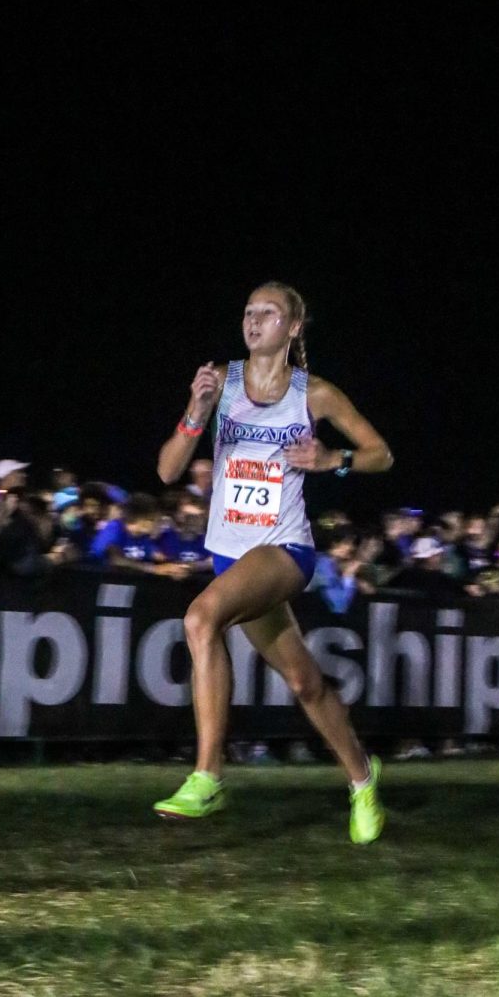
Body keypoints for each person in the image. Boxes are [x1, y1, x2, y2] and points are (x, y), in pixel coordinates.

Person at [152, 281, 393, 842]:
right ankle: (362, 779)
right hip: (231, 557)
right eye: (248, 311)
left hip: (285, 550)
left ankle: (208, 775)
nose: (254, 320)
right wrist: (196, 410)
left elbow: (381, 453)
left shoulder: (316, 395)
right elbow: (167, 472)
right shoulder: (222, 381)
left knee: (199, 619)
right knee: (306, 683)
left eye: (268, 312)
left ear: (293, 327)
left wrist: (333, 459)